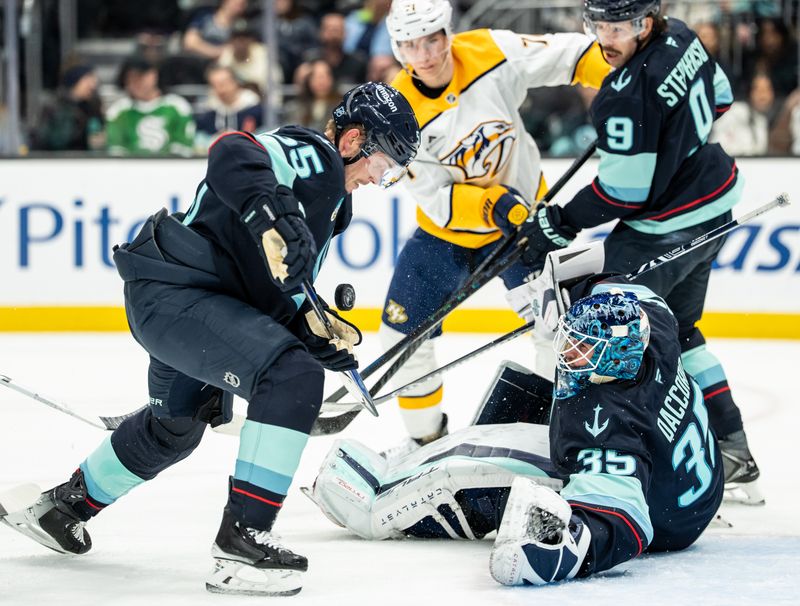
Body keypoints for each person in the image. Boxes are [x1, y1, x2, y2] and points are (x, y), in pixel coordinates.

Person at [2, 82, 419, 596]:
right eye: (384, 166)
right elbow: (232, 151)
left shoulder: (334, 204)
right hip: (181, 297)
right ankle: (242, 541)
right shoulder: (318, 159)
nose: (381, 181)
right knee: (290, 376)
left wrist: (311, 329)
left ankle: (62, 508)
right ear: (354, 140)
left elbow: (275, 282)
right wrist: (273, 215)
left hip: (184, 304)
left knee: (175, 427)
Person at [307, 273, 724, 585]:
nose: (567, 351)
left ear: (615, 358)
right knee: (518, 390)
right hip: (685, 481)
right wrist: (577, 286)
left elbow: (624, 520)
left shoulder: (609, 426)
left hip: (664, 514)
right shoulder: (654, 331)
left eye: (582, 349)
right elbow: (619, 288)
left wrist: (557, 551)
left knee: (471, 461)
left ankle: (377, 505)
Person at [512, 0, 763, 504]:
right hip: (713, 207)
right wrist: (668, 133)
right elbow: (720, 100)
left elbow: (624, 194)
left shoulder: (623, 95)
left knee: (602, 322)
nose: (605, 37)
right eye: (597, 25)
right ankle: (733, 450)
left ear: (644, 23)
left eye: (617, 26)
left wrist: (557, 222)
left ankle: (608, 457)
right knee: (684, 331)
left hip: (667, 228)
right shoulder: (686, 38)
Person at [377, 0, 610, 455]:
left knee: (557, 328)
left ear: (448, 33)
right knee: (400, 336)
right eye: (410, 44)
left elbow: (573, 55)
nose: (424, 54)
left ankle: (552, 436)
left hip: (523, 228)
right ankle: (425, 439)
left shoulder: (489, 50)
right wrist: (494, 203)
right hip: (448, 239)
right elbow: (436, 198)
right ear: (397, 48)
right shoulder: (398, 111)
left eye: (432, 39)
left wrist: (621, 79)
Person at [105, 57, 196, 156]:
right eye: (130, 79)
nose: (135, 83)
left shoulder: (177, 106)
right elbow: (116, 149)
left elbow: (183, 145)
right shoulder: (118, 111)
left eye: (140, 77)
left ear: (153, 75)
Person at [29, 63, 105, 152]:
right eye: (87, 80)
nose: (92, 86)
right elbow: (53, 140)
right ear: (75, 81)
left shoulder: (93, 106)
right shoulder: (55, 106)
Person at [193, 64, 263, 150]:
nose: (220, 90)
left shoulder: (256, 109)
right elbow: (199, 140)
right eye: (214, 85)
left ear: (235, 82)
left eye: (223, 84)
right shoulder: (209, 112)